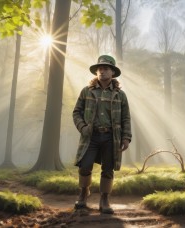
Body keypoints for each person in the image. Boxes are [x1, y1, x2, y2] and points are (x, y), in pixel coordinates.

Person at [72, 55, 132, 214]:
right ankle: (83, 193)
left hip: (111, 138)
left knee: (108, 169)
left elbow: (126, 117)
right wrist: (83, 127)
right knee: (85, 165)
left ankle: (104, 199)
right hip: (90, 137)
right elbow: (76, 112)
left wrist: (126, 137)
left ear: (112, 72)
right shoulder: (87, 91)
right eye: (100, 68)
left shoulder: (120, 95)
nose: (102, 71)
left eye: (106, 68)